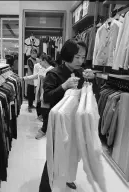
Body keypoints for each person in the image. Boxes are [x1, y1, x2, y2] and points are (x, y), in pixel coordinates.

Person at [39, 39, 99, 192]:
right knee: (54, 155)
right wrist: (64, 86)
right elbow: (46, 97)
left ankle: (67, 177)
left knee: (72, 152)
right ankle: (45, 188)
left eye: (83, 57)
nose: (81, 60)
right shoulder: (53, 74)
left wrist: (94, 80)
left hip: (74, 121)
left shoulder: (81, 72)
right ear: (67, 55)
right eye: (77, 57)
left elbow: (92, 95)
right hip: (57, 123)